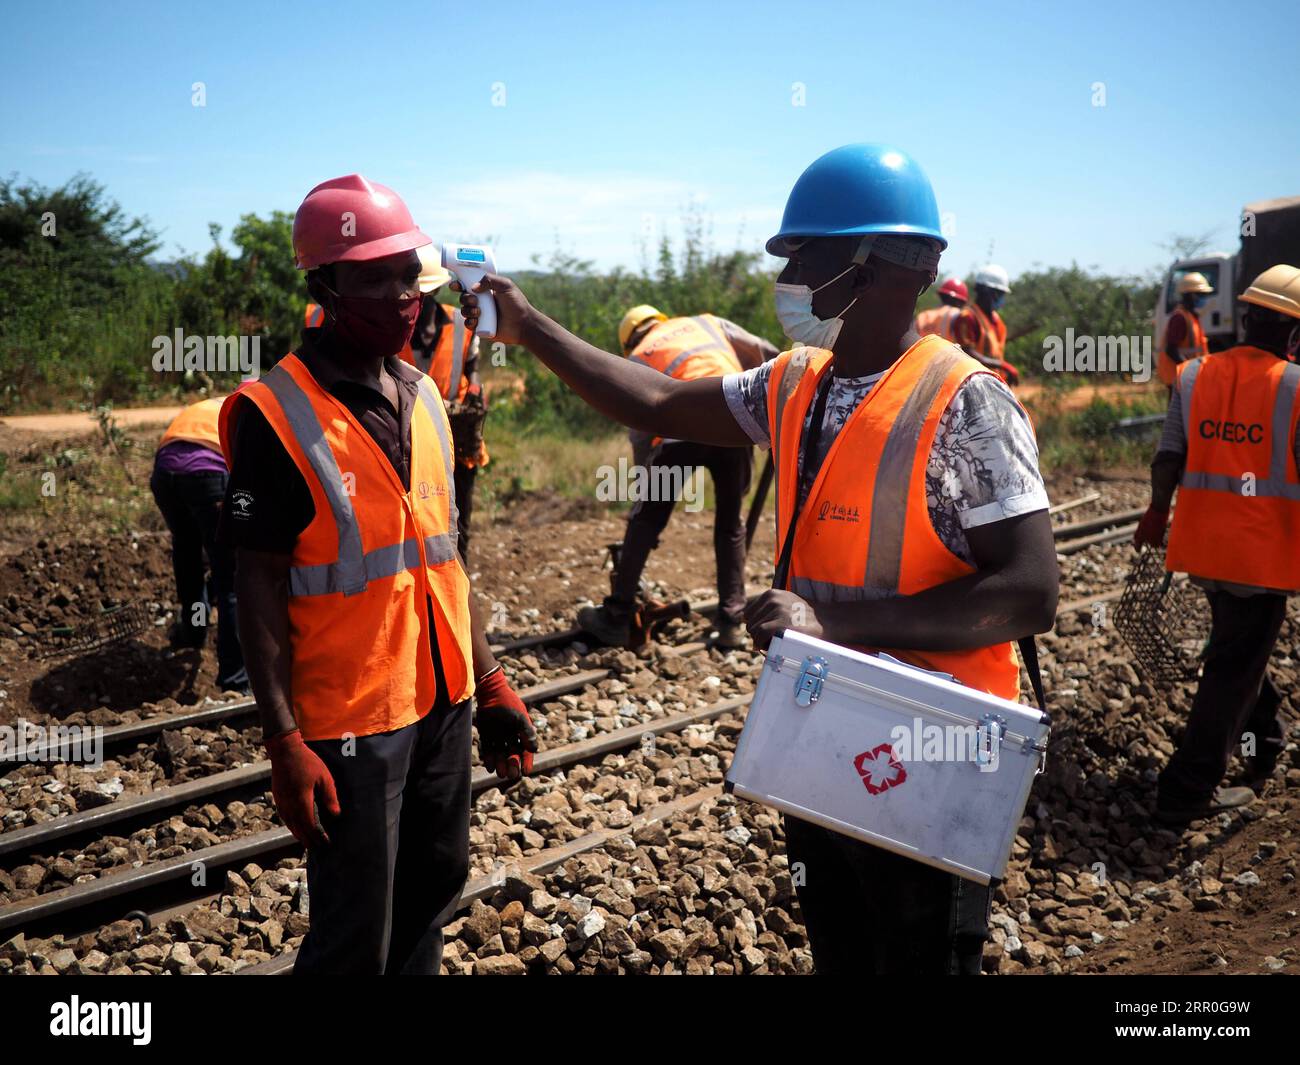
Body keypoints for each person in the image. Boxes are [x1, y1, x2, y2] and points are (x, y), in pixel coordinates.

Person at [456, 144, 1058, 975]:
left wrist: (830, 620)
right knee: (843, 946)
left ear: (876, 264)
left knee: (917, 953)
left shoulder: (967, 402)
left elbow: (1029, 593)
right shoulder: (796, 380)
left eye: (803, 255)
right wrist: (529, 327)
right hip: (825, 724)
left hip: (933, 743)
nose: (789, 276)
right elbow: (658, 399)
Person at [217, 174, 536, 975]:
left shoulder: (424, 396)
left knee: (434, 888)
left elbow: (441, 561)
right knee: (355, 928)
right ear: (324, 286)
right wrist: (284, 739)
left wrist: (489, 678)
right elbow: (253, 582)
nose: (403, 298)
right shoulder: (274, 411)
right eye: (374, 278)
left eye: (409, 274)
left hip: (441, 697)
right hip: (350, 718)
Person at [1134, 263, 1300, 823]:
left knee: (1239, 651)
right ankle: (1184, 794)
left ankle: (1265, 745)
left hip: (1204, 550)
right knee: (1232, 670)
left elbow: (1169, 457)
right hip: (1263, 558)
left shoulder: (1194, 375)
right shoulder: (1296, 386)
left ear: (1247, 316)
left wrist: (1157, 514)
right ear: (1295, 332)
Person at [578, 305, 777, 649]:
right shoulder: (707, 323)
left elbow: (641, 431)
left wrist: (646, 494)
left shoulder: (638, 357)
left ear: (629, 340)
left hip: (681, 432)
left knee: (646, 521)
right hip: (736, 421)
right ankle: (731, 620)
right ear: (659, 321)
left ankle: (617, 616)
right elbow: (767, 352)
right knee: (731, 525)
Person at [151, 396, 247, 692]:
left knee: (188, 552)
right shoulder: (255, 411)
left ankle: (192, 632)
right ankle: (235, 680)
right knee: (230, 580)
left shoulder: (214, 405)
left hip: (165, 475)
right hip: (208, 474)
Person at [402, 245, 487, 561]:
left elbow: (473, 369)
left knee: (458, 515)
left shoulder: (461, 323)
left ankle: (459, 576)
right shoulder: (394, 328)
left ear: (436, 288)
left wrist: (475, 393)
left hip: (456, 431)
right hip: (408, 438)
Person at [954, 264, 1019, 385]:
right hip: (974, 383)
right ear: (987, 292)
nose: (1001, 299)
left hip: (994, 382)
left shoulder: (996, 319)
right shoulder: (968, 317)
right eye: (999, 294)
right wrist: (1003, 365)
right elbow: (967, 353)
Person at [1156, 271, 1212, 387]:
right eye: (1201, 294)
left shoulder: (1191, 316)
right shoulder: (1179, 318)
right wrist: (1189, 370)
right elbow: (1171, 349)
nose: (1204, 298)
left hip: (1185, 378)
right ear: (1191, 295)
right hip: (1178, 378)